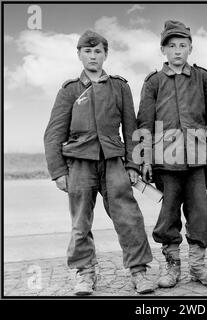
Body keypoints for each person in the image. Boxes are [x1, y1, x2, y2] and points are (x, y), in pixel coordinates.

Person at [44, 30, 155, 295]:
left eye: (98, 51)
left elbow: (131, 130)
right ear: (79, 54)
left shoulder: (119, 86)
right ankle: (85, 274)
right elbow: (53, 133)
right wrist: (59, 171)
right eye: (87, 51)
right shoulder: (69, 90)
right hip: (79, 164)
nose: (93, 56)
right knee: (80, 221)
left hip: (114, 161)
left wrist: (133, 165)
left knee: (129, 217)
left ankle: (139, 272)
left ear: (105, 55)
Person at [137, 20, 207, 288]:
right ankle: (172, 267)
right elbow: (144, 122)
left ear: (190, 48)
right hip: (166, 162)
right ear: (163, 49)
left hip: (198, 160)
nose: (178, 51)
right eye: (172, 46)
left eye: (183, 45)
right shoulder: (153, 82)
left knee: (200, 214)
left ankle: (198, 267)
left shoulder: (203, 78)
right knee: (168, 215)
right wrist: (144, 159)